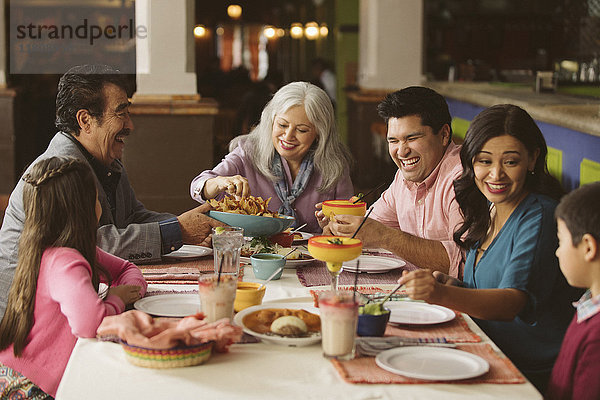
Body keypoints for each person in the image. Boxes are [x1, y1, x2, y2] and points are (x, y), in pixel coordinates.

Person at [0, 64, 223, 319]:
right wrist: (178, 231)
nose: (131, 124)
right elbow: (94, 242)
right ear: (85, 120)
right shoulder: (59, 173)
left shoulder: (106, 161)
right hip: (26, 324)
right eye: (121, 113)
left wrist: (194, 224)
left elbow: (134, 217)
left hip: (75, 306)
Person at [397, 104, 582, 393]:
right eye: (484, 161)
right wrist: (453, 284)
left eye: (510, 162)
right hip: (487, 351)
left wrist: (443, 294)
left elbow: (512, 303)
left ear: (532, 159)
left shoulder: (541, 217)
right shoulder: (489, 208)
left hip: (527, 372)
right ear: (471, 162)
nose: (496, 175)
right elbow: (486, 285)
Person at [0, 157, 147, 398]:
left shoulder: (53, 250)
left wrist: (131, 288)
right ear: (85, 207)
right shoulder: (65, 261)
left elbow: (127, 269)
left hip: (18, 372)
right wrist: (117, 299)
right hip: (31, 386)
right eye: (96, 197)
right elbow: (90, 324)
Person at [326, 87, 464, 277]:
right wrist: (340, 226)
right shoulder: (404, 176)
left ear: (444, 134)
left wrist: (384, 237)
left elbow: (467, 262)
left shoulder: (462, 178)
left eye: (412, 138)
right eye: (393, 141)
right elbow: (370, 226)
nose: (401, 151)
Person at [190, 81, 354, 233]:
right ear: (271, 121)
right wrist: (219, 182)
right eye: (282, 125)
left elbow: (348, 221)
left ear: (319, 133)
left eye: (302, 130)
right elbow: (197, 187)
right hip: (253, 256)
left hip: (312, 258)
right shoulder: (248, 151)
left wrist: (332, 228)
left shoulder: (335, 165)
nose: (288, 136)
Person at [546, 182, 600, 400]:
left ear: (588, 247)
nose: (558, 252)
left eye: (560, 241)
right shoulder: (587, 305)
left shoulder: (597, 336)